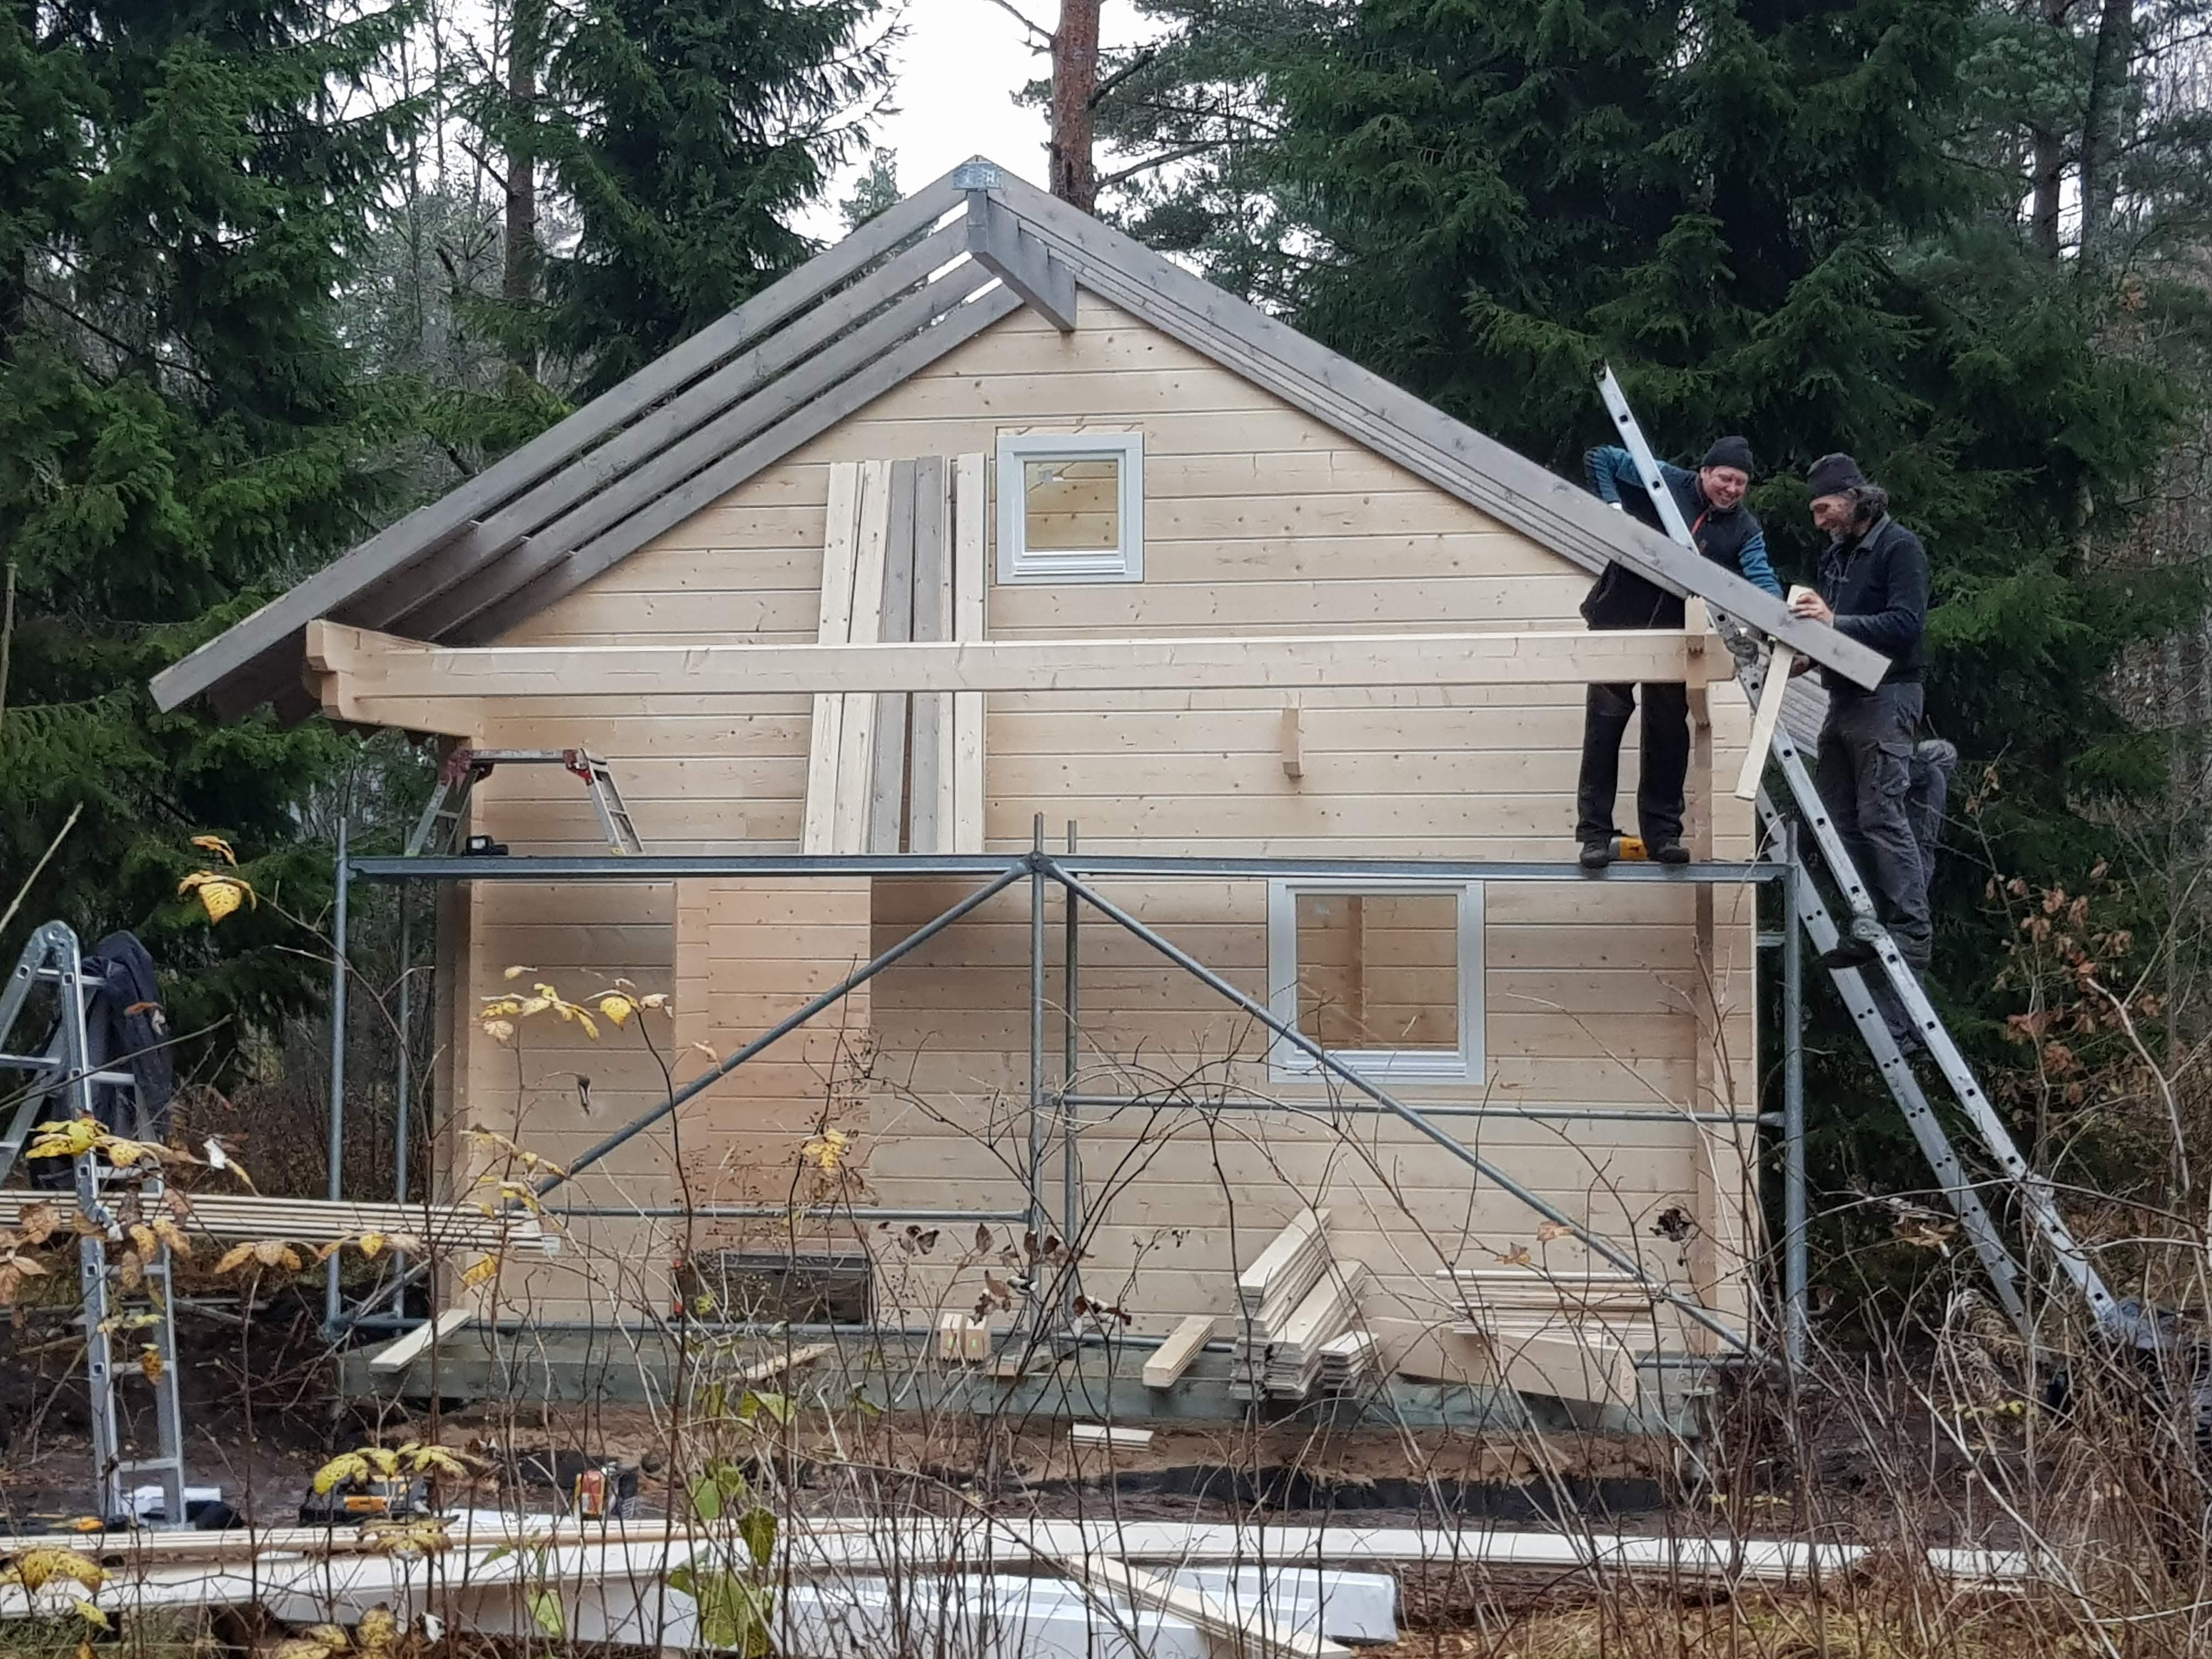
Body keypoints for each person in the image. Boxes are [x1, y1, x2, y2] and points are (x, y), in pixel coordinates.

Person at [1576, 436, 1783, 868]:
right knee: (1605, 726)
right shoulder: (1665, 481)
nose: (1731, 489)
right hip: (1619, 619)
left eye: (1740, 483)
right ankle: (1594, 835)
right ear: (1705, 472)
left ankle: (1663, 835)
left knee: (1668, 732)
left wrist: (1779, 621)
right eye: (1725, 478)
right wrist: (1615, 511)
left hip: (1677, 634)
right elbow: (1601, 457)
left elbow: (1761, 577)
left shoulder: (1744, 529)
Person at [1788, 454, 1932, 969]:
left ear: (1853, 499)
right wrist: (1807, 657)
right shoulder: (1837, 556)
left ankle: (1911, 930)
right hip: (1843, 698)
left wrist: (1835, 623)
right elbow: (1833, 630)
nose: (1819, 520)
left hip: (1888, 697)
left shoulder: (1900, 548)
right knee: (1837, 817)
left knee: (1881, 814)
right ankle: (1867, 923)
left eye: (1824, 508)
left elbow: (1906, 624)